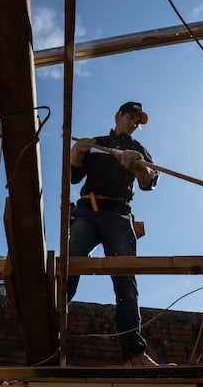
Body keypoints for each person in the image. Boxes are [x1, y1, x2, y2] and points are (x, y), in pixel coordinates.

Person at [68, 101, 159, 366]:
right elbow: (74, 176)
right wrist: (76, 154)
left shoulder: (139, 150)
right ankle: (49, 331)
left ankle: (134, 354)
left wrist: (138, 167)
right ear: (118, 115)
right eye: (131, 117)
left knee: (125, 280)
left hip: (118, 214)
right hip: (87, 210)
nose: (134, 123)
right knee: (69, 266)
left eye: (137, 121)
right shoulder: (96, 143)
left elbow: (149, 182)